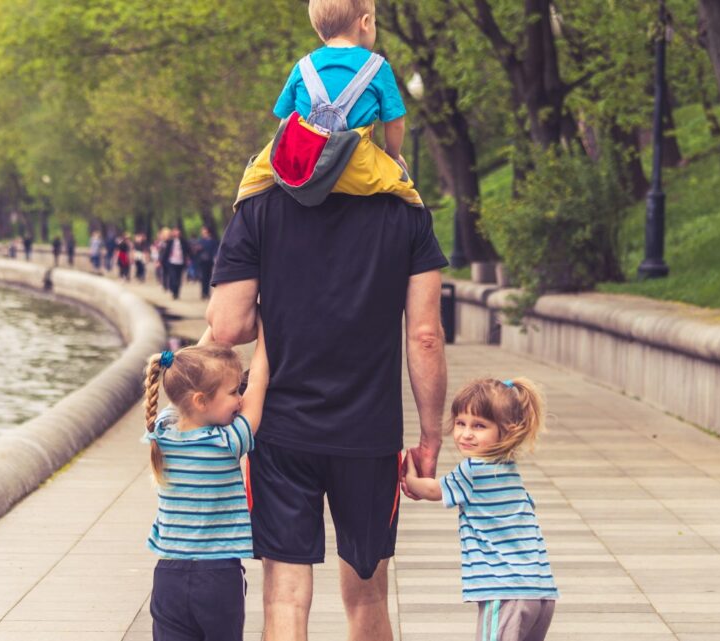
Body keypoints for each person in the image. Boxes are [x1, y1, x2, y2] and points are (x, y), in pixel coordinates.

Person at [207, 191, 448, 640]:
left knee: (284, 598)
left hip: (279, 433)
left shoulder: (260, 207)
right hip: (370, 435)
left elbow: (227, 327)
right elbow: (425, 335)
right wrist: (430, 437)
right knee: (368, 596)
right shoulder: (405, 212)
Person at [403, 378, 559, 641]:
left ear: (507, 431)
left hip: (504, 591)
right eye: (461, 423)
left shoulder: (474, 470)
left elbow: (432, 490)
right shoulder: (508, 470)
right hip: (540, 592)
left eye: (479, 426)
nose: (466, 433)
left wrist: (409, 477)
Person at [143, 326, 270, 641]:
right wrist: (268, 332)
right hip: (217, 577)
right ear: (200, 401)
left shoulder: (163, 431)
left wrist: (216, 327)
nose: (239, 400)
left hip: (168, 578)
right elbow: (259, 382)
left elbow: (183, 385)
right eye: (232, 392)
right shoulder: (227, 442)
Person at [233, 0, 421, 211]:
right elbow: (395, 123)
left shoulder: (302, 67)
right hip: (358, 167)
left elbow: (285, 123)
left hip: (307, 165)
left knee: (252, 182)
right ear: (366, 22)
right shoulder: (378, 68)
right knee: (410, 197)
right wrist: (393, 156)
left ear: (320, 30)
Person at [162, 227, 191, 300]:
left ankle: (177, 293)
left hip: (180, 262)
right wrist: (161, 261)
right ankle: (173, 291)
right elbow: (166, 252)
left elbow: (188, 250)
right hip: (172, 262)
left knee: (179, 279)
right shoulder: (170, 241)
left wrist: (190, 258)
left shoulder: (183, 241)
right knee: (173, 277)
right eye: (174, 231)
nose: (176, 232)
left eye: (177, 231)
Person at [196, 227, 220, 300]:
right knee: (203, 277)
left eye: (204, 231)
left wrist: (215, 258)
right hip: (202, 261)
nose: (203, 233)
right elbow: (196, 251)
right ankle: (203, 293)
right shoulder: (200, 241)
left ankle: (207, 293)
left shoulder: (212, 241)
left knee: (209, 277)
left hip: (209, 261)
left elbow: (215, 250)